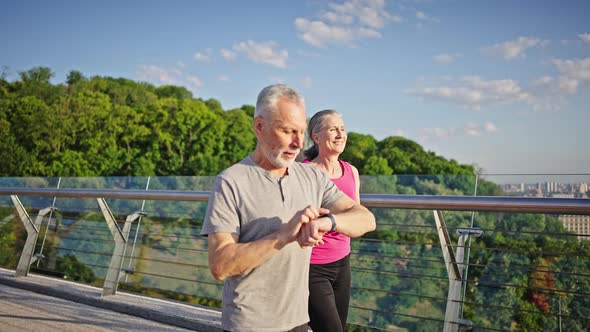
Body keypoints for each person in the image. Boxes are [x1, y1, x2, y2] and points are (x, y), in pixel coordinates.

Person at [201, 84, 375, 332]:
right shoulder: (231, 181)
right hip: (249, 325)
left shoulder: (311, 177)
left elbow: (366, 219)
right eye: (287, 131)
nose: (297, 143)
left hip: (297, 322)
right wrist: (284, 234)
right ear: (259, 127)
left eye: (301, 132)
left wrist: (326, 223)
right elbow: (220, 265)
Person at [303, 109, 374, 332]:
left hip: (343, 263)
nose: (340, 134)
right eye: (333, 129)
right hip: (312, 266)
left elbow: (358, 213)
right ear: (316, 136)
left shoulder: (351, 171)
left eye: (342, 129)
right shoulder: (303, 172)